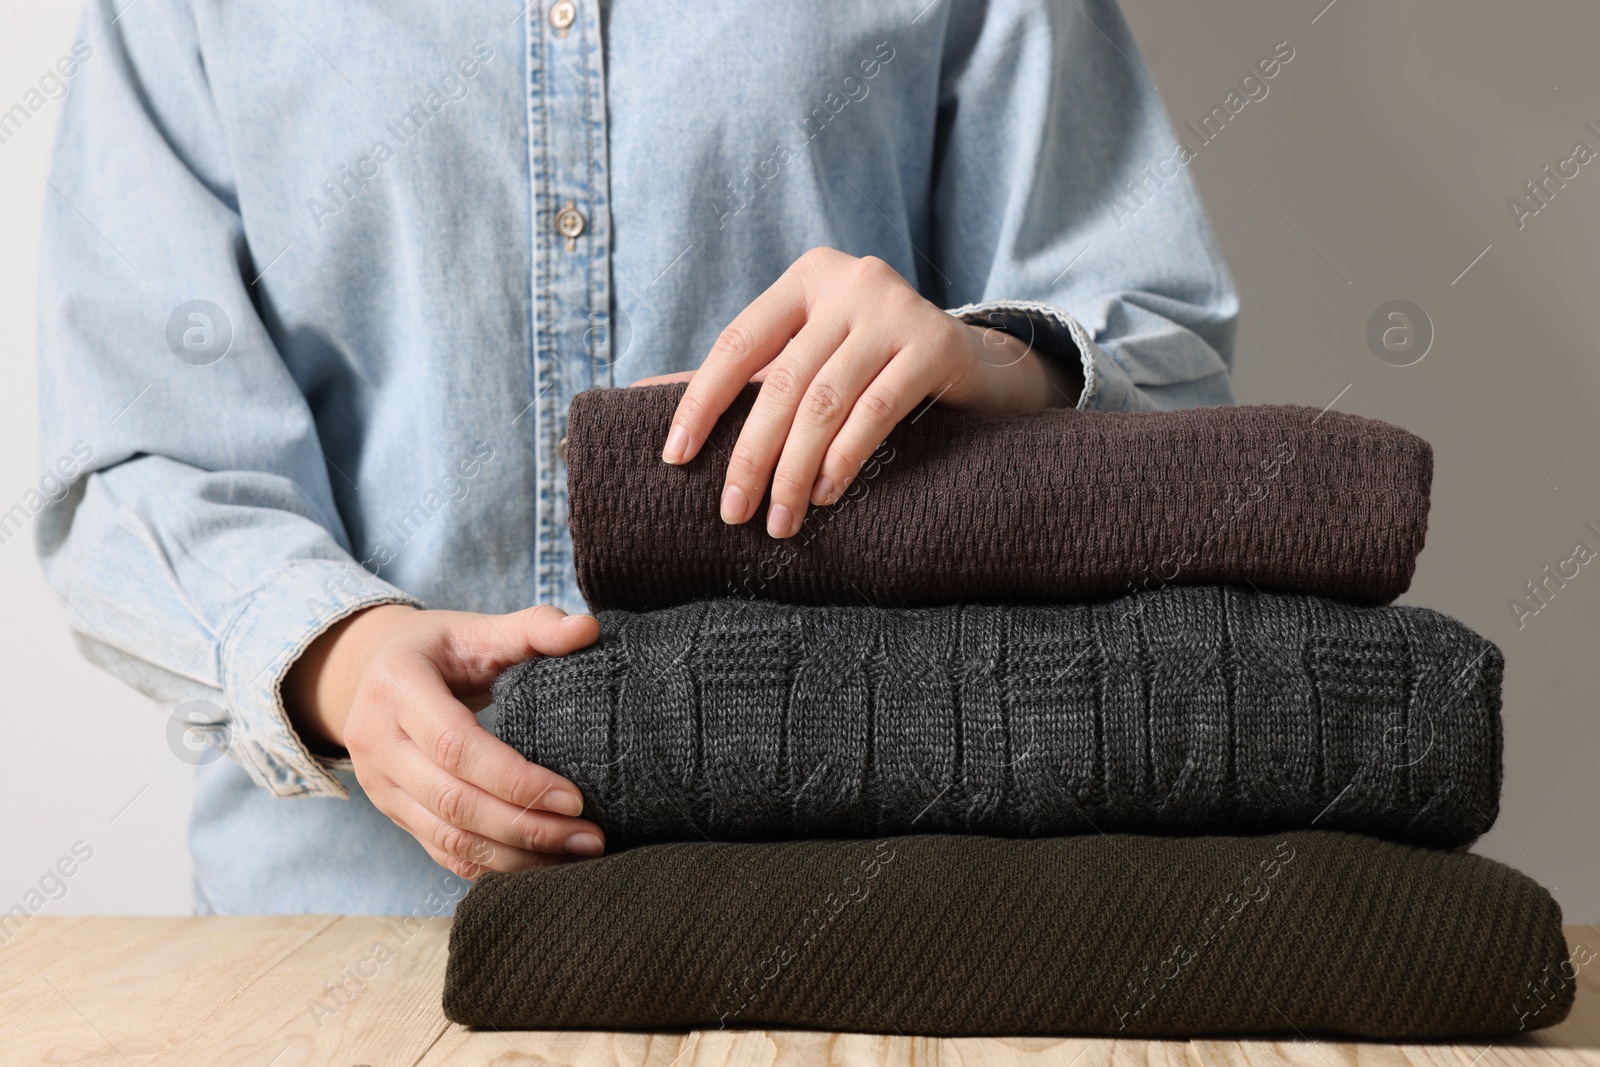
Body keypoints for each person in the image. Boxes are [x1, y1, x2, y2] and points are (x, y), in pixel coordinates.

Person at [36, 0, 1237, 914]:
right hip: (346, 931)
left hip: (849, 925)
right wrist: (338, 660)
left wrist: (988, 359)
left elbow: (1169, 362)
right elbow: (131, 448)